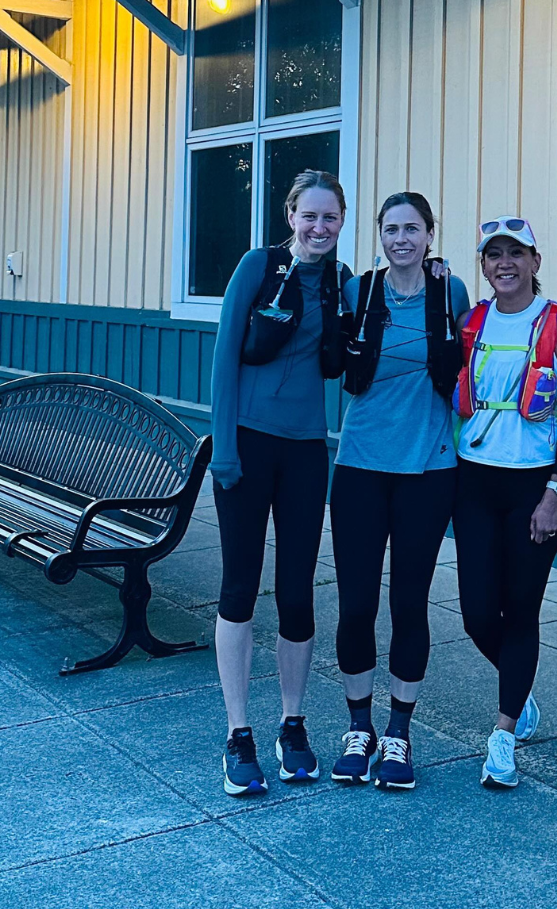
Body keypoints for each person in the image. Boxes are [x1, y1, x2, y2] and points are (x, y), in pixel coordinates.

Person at [209, 169, 351, 796]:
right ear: (290, 216)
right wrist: (225, 452)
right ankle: (238, 732)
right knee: (240, 587)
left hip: (305, 452)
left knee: (296, 592)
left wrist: (435, 275)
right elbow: (222, 361)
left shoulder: (345, 285)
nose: (319, 228)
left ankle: (292, 723)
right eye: (310, 215)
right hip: (247, 443)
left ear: (342, 223)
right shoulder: (257, 266)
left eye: (331, 218)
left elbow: (385, 322)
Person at [330, 193, 469, 790]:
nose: (402, 239)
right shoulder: (358, 294)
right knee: (357, 602)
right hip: (360, 465)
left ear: (431, 235)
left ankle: (398, 734)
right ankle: (358, 727)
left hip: (429, 470)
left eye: (412, 229)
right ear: (379, 237)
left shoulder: (450, 293)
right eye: (391, 229)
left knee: (409, 603)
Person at [453, 215, 557, 790]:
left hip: (535, 488)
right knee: (477, 614)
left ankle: (504, 734)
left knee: (521, 608)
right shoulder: (471, 323)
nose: (504, 264)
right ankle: (523, 689)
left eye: (516, 253)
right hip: (474, 481)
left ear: (536, 262)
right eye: (493, 255)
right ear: (482, 266)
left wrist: (555, 491)